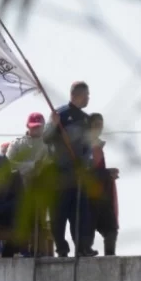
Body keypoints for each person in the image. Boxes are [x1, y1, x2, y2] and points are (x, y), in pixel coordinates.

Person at [43, 81, 97, 257]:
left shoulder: (85, 119)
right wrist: (53, 124)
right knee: (58, 215)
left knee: (80, 214)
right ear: (77, 95)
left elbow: (88, 146)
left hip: (77, 174)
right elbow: (46, 138)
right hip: (59, 174)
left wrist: (86, 162)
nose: (88, 98)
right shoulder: (60, 114)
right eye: (86, 95)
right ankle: (62, 248)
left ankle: (82, 248)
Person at [7, 112, 51, 257]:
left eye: (39, 127)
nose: (36, 130)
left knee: (41, 221)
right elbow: (8, 164)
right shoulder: (17, 144)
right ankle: (23, 249)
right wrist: (31, 165)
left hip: (41, 190)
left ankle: (40, 250)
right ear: (28, 126)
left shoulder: (49, 144)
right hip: (20, 190)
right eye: (34, 127)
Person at [87, 113, 120, 256]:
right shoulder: (83, 147)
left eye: (101, 125)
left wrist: (108, 173)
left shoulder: (97, 146)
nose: (99, 129)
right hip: (88, 197)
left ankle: (109, 259)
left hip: (102, 196)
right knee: (87, 233)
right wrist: (108, 173)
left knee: (111, 230)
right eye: (96, 125)